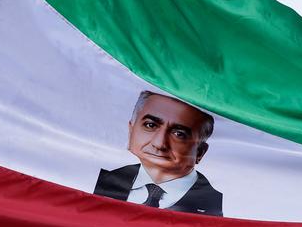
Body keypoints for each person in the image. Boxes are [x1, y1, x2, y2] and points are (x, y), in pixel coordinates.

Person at [93, 90, 222, 215]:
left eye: (179, 134)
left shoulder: (219, 206)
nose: (159, 144)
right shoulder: (101, 182)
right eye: (150, 125)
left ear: (200, 152)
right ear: (131, 130)